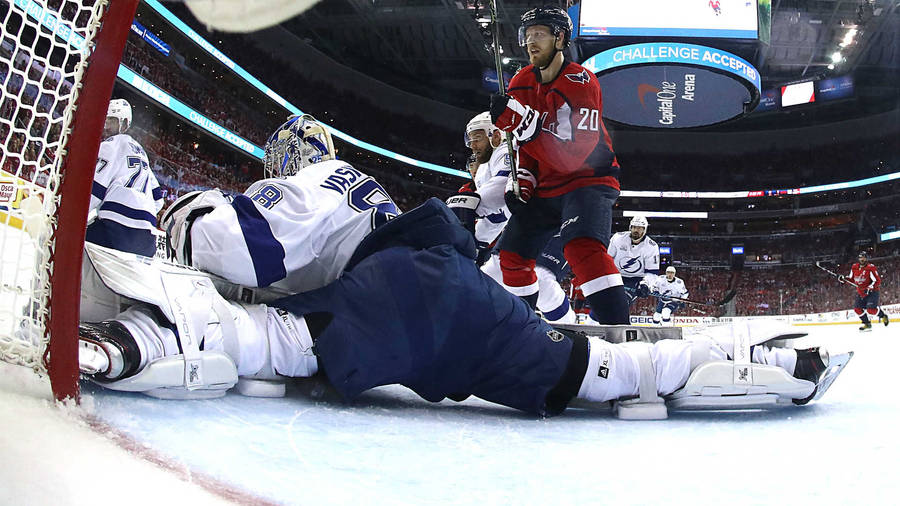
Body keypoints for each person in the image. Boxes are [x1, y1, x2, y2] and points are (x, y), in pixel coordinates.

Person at [77, 197, 845, 418]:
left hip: (384, 298)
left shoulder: (310, 183)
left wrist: (187, 221)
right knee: (595, 368)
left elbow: (237, 244)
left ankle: (125, 344)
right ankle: (765, 363)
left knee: (264, 341)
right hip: (460, 290)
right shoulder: (369, 191)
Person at [488, 7, 628, 324]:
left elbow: (574, 156)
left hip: (587, 180)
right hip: (546, 186)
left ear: (560, 37)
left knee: (582, 248)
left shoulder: (582, 81)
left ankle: (621, 333)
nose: (530, 43)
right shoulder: (521, 81)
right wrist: (523, 181)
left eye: (539, 34)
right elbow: (523, 147)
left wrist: (525, 124)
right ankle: (521, 327)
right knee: (511, 258)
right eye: (527, 35)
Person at [160, 114, 400, 294]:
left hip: (379, 312)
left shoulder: (311, 182)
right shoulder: (357, 181)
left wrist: (192, 211)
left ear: (296, 151)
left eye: (278, 158)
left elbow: (238, 251)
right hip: (406, 296)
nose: (275, 169)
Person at [447, 112, 575, 323]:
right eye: (469, 140)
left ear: (496, 135)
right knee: (489, 277)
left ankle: (570, 327)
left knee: (541, 278)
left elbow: (500, 196)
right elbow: (499, 214)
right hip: (525, 224)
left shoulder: (508, 148)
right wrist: (477, 243)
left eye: (477, 137)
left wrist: (460, 212)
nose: (472, 145)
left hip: (555, 222)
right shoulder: (485, 169)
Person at [87, 99, 163, 256]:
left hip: (114, 231)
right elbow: (158, 200)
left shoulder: (110, 145)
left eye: (112, 121)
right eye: (105, 120)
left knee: (71, 247)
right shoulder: (141, 153)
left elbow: (95, 191)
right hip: (147, 240)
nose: (106, 126)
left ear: (124, 124)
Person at [609, 215, 661, 304]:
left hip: (635, 280)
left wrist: (646, 284)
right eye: (634, 227)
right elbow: (608, 259)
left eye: (639, 228)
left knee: (622, 303)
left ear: (644, 230)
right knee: (601, 302)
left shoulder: (651, 246)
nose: (636, 230)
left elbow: (652, 272)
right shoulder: (618, 238)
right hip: (615, 276)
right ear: (630, 227)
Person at [840, 250, 889, 331]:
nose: (862, 259)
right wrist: (843, 279)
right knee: (857, 309)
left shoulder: (870, 268)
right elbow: (851, 279)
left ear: (866, 259)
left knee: (871, 310)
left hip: (872, 292)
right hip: (861, 293)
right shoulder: (854, 267)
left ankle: (883, 316)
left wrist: (869, 288)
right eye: (860, 258)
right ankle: (867, 324)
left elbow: (877, 281)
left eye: (863, 258)